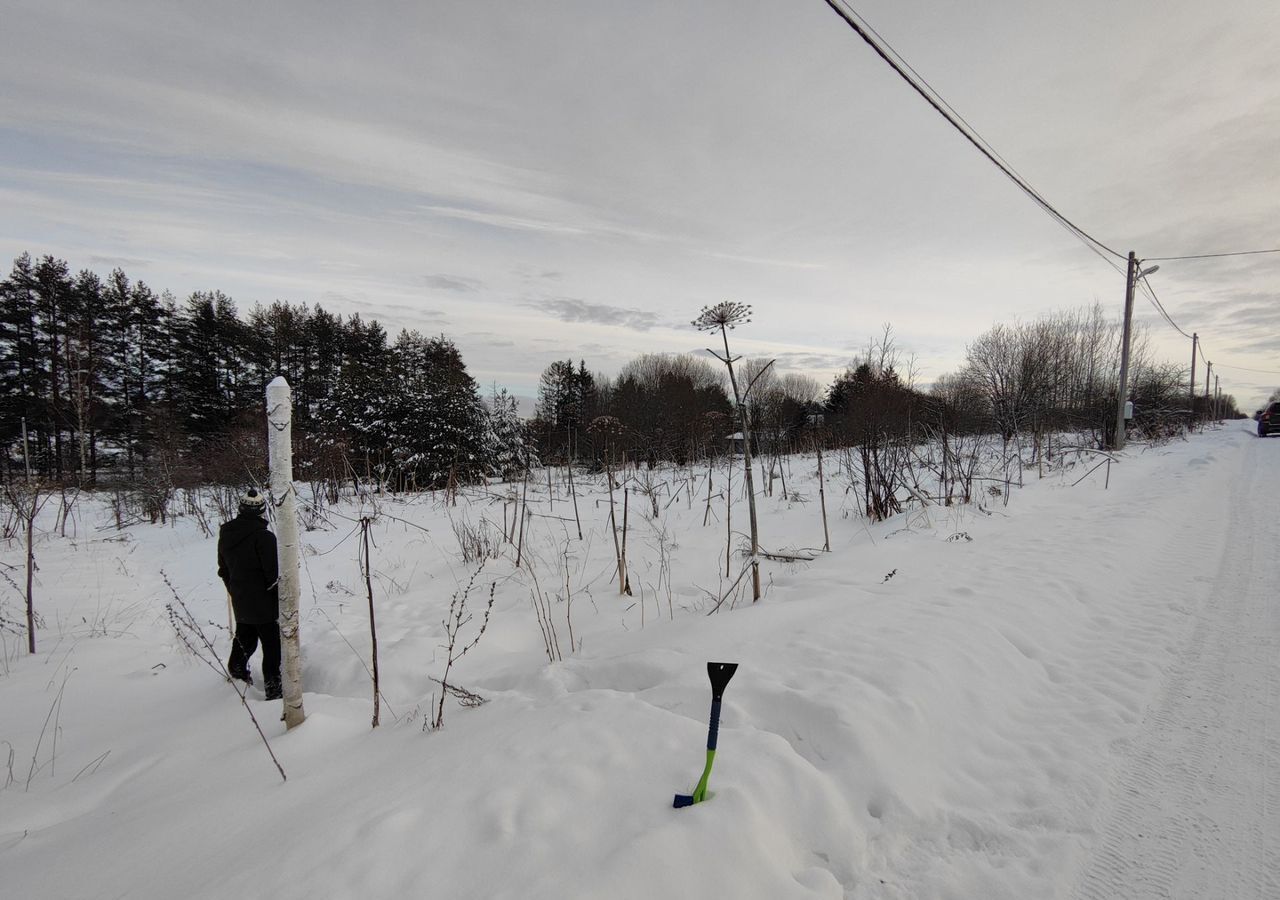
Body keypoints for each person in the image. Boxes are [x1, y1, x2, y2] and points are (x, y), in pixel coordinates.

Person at [217, 488, 282, 700]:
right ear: (262, 511)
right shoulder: (264, 537)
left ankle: (236, 671)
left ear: (241, 508)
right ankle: (273, 687)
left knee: (246, 635)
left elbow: (223, 568)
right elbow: (272, 573)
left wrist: (234, 588)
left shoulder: (226, 533)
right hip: (263, 599)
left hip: (240, 596)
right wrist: (276, 593)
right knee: (271, 643)